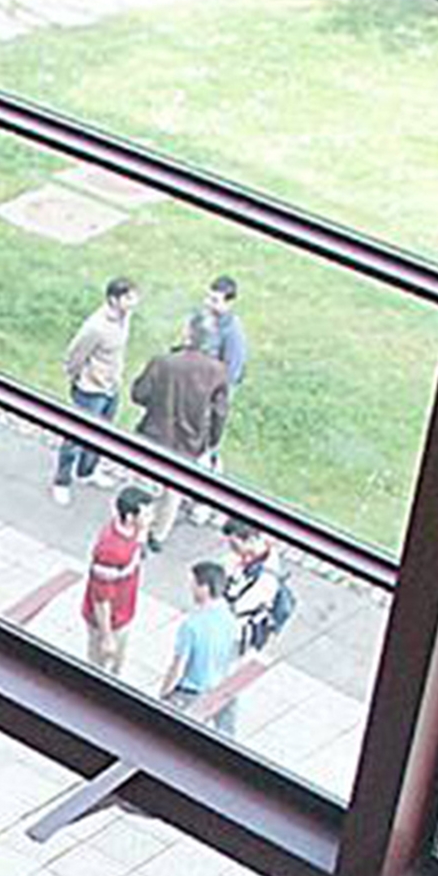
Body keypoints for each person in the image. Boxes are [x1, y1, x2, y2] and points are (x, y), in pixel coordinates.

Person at [130, 314, 230, 546]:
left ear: (188, 335)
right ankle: (158, 535)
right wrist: (212, 442)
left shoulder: (164, 362)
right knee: (172, 490)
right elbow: (220, 412)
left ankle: (139, 531)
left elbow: (139, 394)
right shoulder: (218, 371)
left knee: (145, 485)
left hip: (155, 434)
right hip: (190, 442)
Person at [51, 275, 137, 501]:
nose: (133, 301)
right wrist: (78, 380)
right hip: (91, 390)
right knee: (76, 436)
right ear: (113, 299)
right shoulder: (96, 327)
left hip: (111, 387)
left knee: (102, 434)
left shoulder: (126, 317)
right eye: (128, 297)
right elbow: (74, 356)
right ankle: (61, 481)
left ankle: (87, 471)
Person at [160, 559, 243, 739]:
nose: (190, 589)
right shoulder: (232, 621)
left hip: (191, 693)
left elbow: (178, 666)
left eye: (193, 584)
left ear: (205, 588)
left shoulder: (191, 625)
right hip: (221, 691)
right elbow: (234, 657)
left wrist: (164, 694)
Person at [81, 485, 151, 676]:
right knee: (99, 668)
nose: (150, 519)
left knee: (117, 664)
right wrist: (106, 636)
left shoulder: (133, 531)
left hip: (123, 614)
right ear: (129, 518)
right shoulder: (110, 552)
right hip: (110, 621)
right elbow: (101, 599)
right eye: (146, 515)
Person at [223, 521, 293, 658]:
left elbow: (238, 608)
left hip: (239, 632)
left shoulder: (264, 578)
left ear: (251, 540)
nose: (232, 550)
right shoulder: (260, 555)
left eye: (235, 545)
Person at [200, 273, 248, 398]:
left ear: (229, 303)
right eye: (207, 297)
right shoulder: (203, 318)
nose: (207, 303)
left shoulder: (233, 331)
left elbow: (232, 372)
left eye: (214, 300)